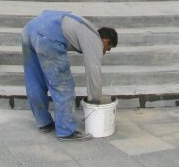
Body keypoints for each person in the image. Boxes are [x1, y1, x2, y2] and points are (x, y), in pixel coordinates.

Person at [21, 10, 117, 140]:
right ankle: (66, 131)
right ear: (105, 41)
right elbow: (94, 70)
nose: (105, 52)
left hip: (29, 29)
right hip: (48, 36)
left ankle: (44, 123)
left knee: (35, 81)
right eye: (108, 49)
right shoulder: (95, 39)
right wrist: (95, 100)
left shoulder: (84, 27)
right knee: (63, 86)